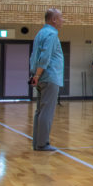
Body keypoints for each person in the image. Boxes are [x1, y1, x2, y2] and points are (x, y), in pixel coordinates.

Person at [29, 9, 64, 151]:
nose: (63, 20)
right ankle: (43, 143)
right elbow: (44, 57)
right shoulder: (52, 34)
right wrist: (37, 75)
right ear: (54, 19)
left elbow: (33, 56)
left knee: (40, 111)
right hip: (49, 76)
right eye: (61, 17)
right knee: (47, 112)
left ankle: (37, 143)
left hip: (41, 76)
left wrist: (35, 75)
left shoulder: (40, 33)